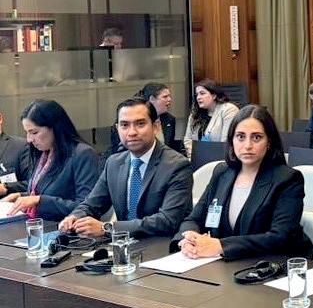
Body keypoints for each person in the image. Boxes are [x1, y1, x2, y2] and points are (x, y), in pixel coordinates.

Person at [173, 104, 311, 260]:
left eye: (256, 137)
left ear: (269, 142)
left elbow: (280, 237)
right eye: (240, 137)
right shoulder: (222, 172)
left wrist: (221, 246)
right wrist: (188, 239)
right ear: (232, 140)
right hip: (226, 264)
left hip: (272, 263)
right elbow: (194, 219)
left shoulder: (287, 178)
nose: (247, 146)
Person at [59, 98, 192, 238]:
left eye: (140, 124)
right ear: (117, 129)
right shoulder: (114, 163)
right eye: (124, 125)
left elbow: (167, 221)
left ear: (156, 126)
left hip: (160, 243)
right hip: (121, 243)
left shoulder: (177, 166)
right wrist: (74, 217)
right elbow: (92, 204)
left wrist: (108, 228)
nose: (132, 132)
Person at [1, 100, 97, 221]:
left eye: (34, 132)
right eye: (27, 133)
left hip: (66, 228)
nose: (29, 139)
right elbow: (47, 191)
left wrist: (39, 200)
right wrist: (20, 196)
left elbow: (87, 207)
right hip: (38, 224)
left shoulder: (82, 154)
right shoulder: (42, 154)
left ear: (55, 127)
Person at [183, 79, 240, 158]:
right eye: (197, 95)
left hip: (220, 159)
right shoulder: (195, 114)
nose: (198, 97)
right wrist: (195, 156)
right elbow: (188, 139)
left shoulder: (228, 110)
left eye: (202, 93)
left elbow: (226, 142)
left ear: (214, 95)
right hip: (197, 159)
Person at [0, 111, 29, 198]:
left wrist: (5, 187)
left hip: (10, 203)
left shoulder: (21, 146)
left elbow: (35, 184)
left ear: (0, 118)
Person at [141, 83, 177, 147]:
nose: (169, 99)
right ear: (152, 99)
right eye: (165, 97)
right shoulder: (136, 118)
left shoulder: (169, 119)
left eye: (169, 96)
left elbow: (170, 147)